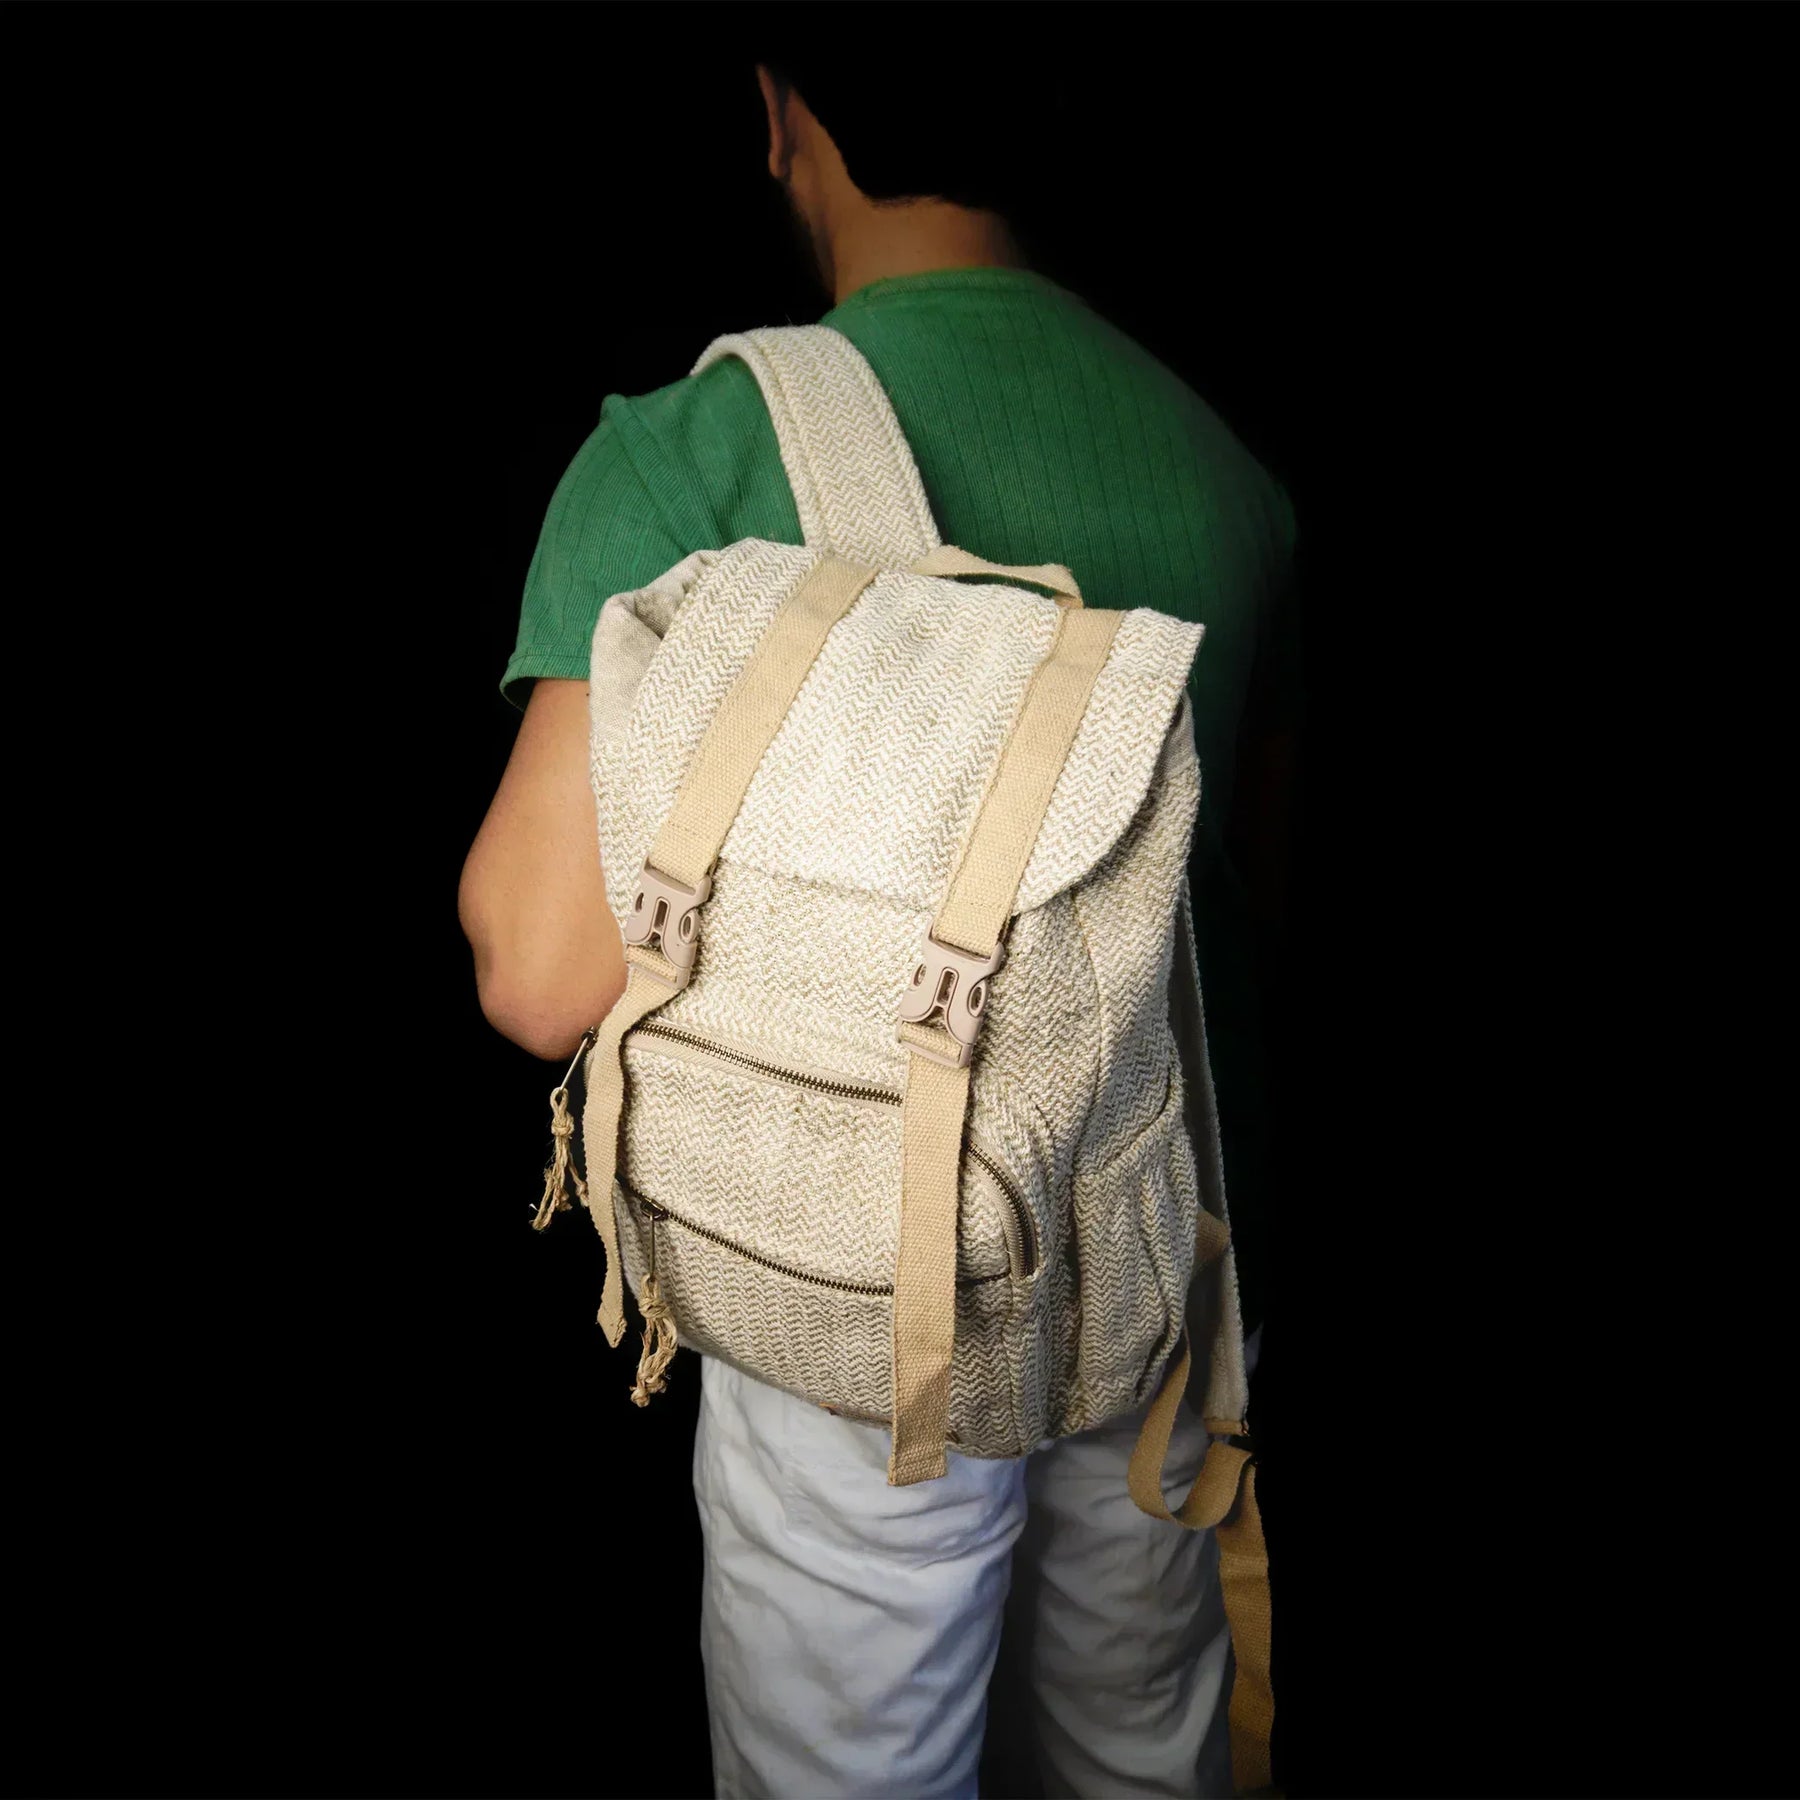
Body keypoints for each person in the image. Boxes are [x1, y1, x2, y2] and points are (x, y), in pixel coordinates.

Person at [459, 48, 1300, 1800]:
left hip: (850, 1275)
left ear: (785, 113)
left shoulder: (697, 453)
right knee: (1140, 1753)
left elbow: (540, 974)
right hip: (1157, 1258)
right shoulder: (1223, 468)